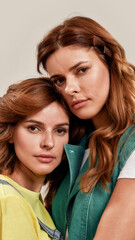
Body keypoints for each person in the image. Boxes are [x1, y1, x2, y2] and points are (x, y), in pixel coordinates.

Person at [37, 16, 135, 240]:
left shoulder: (132, 143)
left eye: (81, 70)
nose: (70, 88)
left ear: (110, 61)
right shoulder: (71, 145)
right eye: (59, 80)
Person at [0, 77, 70, 240]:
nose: (49, 143)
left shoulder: (34, 200)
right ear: (10, 132)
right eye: (34, 128)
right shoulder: (9, 200)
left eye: (60, 131)